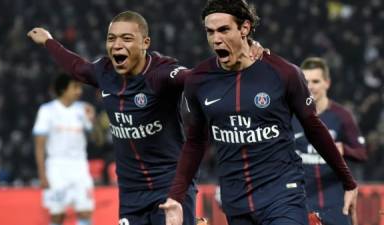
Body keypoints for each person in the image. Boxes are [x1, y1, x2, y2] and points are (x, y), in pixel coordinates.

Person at [28, 11, 265, 225]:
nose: (117, 45)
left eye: (126, 39)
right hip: (131, 192)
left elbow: (193, 77)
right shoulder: (104, 72)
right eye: (112, 39)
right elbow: (76, 67)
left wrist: (241, 56)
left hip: (170, 186)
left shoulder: (160, 74)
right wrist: (48, 40)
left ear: (145, 43)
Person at [160, 1, 358, 225]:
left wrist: (348, 182)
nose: (216, 39)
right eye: (210, 32)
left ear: (245, 28)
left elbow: (314, 128)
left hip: (283, 193)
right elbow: (195, 142)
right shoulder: (198, 80)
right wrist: (176, 196)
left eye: (224, 30)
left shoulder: (284, 73)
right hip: (235, 198)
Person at [292, 57, 367, 225]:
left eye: (316, 81)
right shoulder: (291, 116)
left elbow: (362, 153)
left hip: (335, 203)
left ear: (327, 83)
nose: (310, 86)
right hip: (301, 202)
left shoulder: (342, 116)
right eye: (306, 81)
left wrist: (344, 149)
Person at [33, 74, 95, 225]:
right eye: (75, 87)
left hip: (79, 166)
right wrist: (42, 174)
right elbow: (39, 145)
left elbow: (95, 140)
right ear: (63, 89)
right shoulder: (47, 111)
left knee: (85, 211)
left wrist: (92, 119)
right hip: (56, 167)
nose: (79, 91)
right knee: (58, 215)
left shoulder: (83, 109)